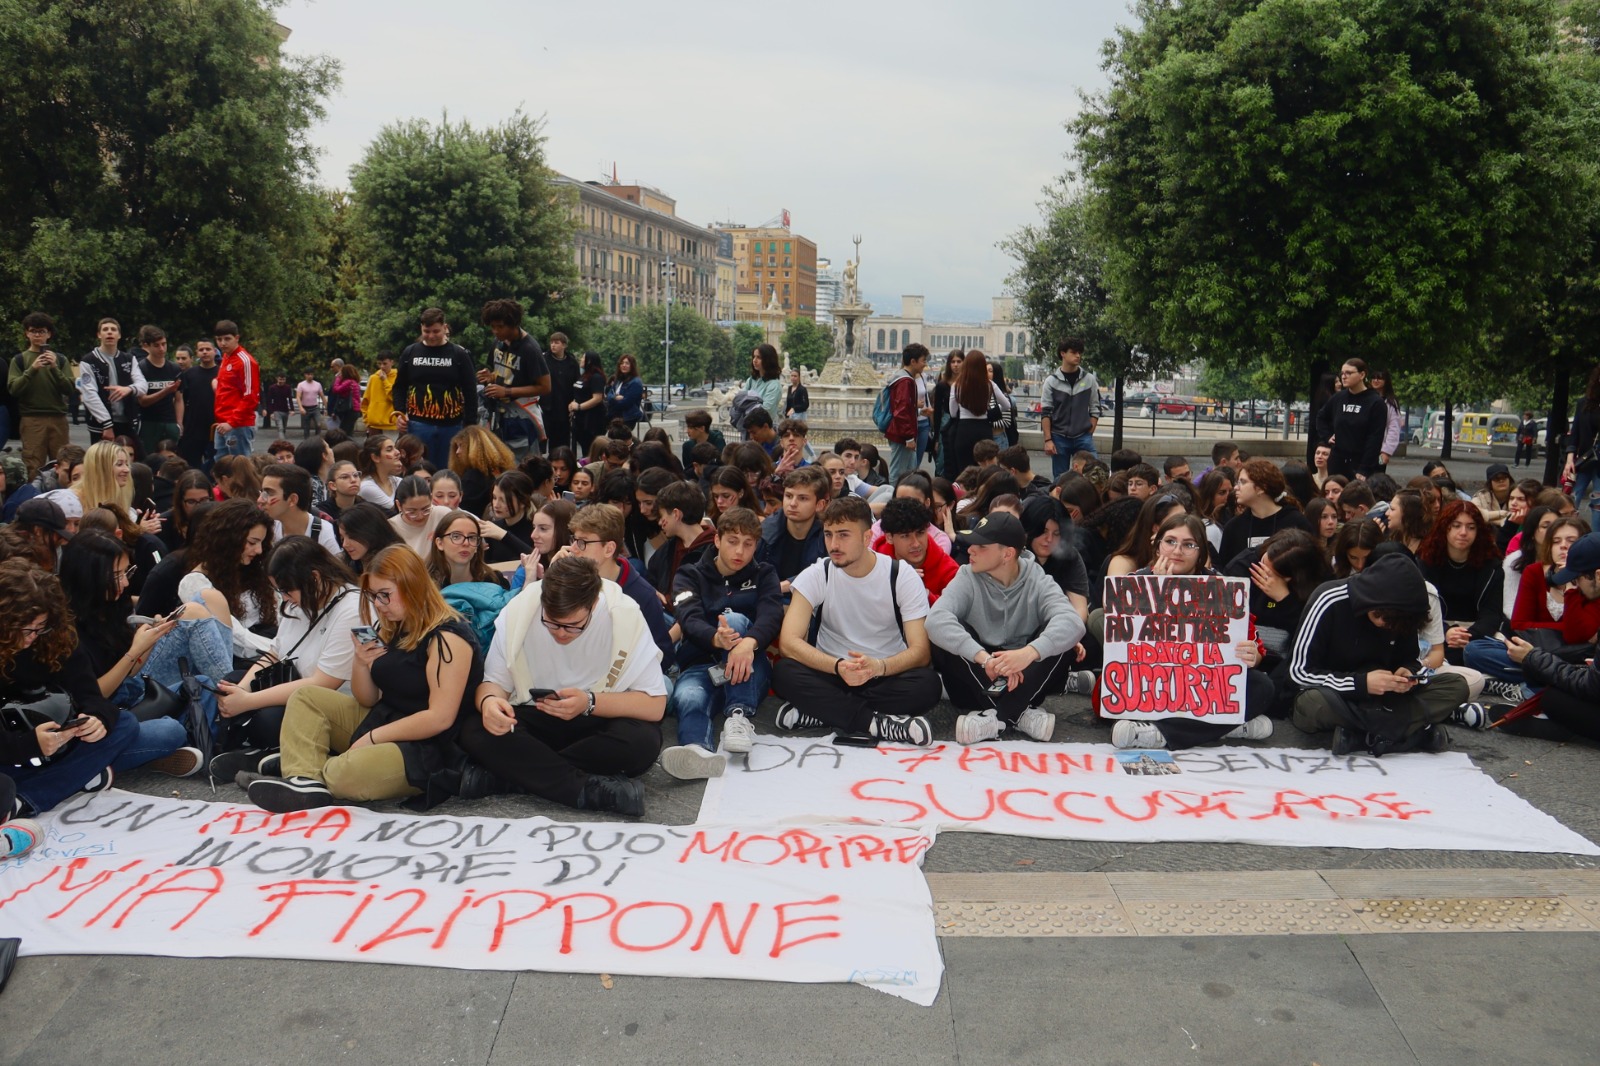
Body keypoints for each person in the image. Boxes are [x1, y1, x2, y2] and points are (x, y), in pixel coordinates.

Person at [237, 545, 482, 812]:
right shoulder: (394, 624)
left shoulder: (449, 637)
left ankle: (303, 770)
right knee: (306, 697)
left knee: (345, 776)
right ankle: (303, 779)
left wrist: (374, 737)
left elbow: (440, 718)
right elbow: (368, 698)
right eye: (374, 596)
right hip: (383, 719)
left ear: (413, 586)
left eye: (385, 595)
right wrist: (361, 662)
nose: (378, 605)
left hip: (429, 746)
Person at [457, 555, 665, 814]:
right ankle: (584, 789)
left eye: (573, 626)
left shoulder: (624, 614)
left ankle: (512, 776)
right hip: (537, 716)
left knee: (642, 741)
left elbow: (655, 705)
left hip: (596, 718)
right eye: (551, 623)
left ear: (594, 604)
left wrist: (589, 702)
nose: (561, 633)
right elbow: (493, 684)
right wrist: (489, 703)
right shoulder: (521, 610)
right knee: (475, 727)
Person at [771, 495, 942, 744]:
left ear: (866, 537)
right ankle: (877, 724)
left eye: (843, 535)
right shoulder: (818, 573)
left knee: (928, 685)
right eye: (828, 534)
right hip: (831, 671)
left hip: (884, 673)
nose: (834, 544)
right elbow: (788, 643)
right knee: (784, 672)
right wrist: (838, 666)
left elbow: (921, 652)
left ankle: (823, 713)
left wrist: (879, 667)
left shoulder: (901, 575)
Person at [1106, 515, 1279, 750]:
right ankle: (1223, 725)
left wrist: (1253, 655)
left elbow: (1254, 646)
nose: (1177, 550)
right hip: (1154, 683)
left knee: (1262, 686)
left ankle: (1164, 734)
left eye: (1188, 545)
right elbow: (1122, 650)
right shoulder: (1134, 582)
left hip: (1203, 685)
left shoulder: (1222, 586)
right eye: (1170, 541)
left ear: (1200, 552)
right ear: (1157, 546)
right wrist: (1155, 593)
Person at [925, 512, 1087, 744]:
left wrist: (1027, 653)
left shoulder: (1037, 578)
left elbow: (1072, 622)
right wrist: (985, 659)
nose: (970, 550)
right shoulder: (967, 575)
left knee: (1065, 640)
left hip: (1022, 677)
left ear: (1007, 554)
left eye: (980, 546)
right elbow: (935, 620)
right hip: (976, 679)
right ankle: (1018, 714)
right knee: (944, 631)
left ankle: (997, 718)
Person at [1289, 552, 1468, 754]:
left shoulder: (1403, 614)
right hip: (1339, 694)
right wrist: (1361, 683)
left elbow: (1410, 660)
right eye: (1379, 615)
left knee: (1456, 685)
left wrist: (1408, 674)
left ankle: (1359, 737)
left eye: (1391, 622)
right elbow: (1299, 672)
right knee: (1312, 705)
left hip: (1384, 699)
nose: (1384, 624)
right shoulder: (1328, 599)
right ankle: (1411, 734)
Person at [0, 560, 141, 816]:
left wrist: (96, 719)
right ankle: (78, 776)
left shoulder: (56, 638)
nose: (33, 637)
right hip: (12, 750)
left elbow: (91, 695)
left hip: (61, 742)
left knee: (127, 725)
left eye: (40, 628)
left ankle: (25, 799)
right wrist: (29, 744)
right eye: (25, 629)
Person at [658, 507, 783, 780]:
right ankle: (696, 751)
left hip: (750, 665)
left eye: (748, 544)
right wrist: (715, 638)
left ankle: (739, 715)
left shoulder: (765, 574)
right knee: (688, 697)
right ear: (717, 541)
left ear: (756, 546)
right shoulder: (689, 574)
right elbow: (686, 615)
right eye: (732, 541)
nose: (740, 551)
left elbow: (772, 614)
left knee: (735, 620)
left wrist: (747, 643)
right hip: (701, 662)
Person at [179, 498, 277, 662]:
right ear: (229, 539)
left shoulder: (255, 569)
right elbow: (235, 637)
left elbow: (280, 611)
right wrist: (281, 652)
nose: (259, 550)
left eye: (262, 542)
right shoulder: (195, 583)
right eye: (252, 542)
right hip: (246, 661)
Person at [393, 308, 479, 469]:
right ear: (421, 328)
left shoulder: (459, 354)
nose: (431, 336)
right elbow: (399, 387)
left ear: (445, 327)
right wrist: (399, 413)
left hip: (452, 425)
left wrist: (470, 425)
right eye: (427, 331)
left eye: (436, 331)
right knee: (418, 469)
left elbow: (470, 391)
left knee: (449, 469)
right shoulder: (410, 352)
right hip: (417, 424)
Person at [479, 298, 551, 456]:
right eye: (492, 327)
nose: (496, 331)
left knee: (521, 466)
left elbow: (545, 387)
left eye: (500, 327)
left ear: (514, 324)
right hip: (499, 415)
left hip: (523, 416)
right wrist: (490, 377)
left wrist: (506, 392)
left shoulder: (530, 349)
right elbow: (499, 372)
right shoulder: (498, 342)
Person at [11, 312, 76, 481]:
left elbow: (70, 389)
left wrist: (54, 367)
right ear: (27, 333)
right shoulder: (19, 360)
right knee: (32, 465)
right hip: (32, 419)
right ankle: (34, 501)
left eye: (42, 331)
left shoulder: (60, 360)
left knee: (64, 464)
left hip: (58, 418)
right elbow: (13, 389)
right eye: (33, 331)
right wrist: (32, 370)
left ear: (49, 334)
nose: (37, 335)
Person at [1217, 459, 1310, 565]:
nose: (1236, 488)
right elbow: (1224, 571)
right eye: (1237, 482)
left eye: (1243, 482)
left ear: (1261, 488)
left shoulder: (1296, 522)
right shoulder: (1234, 527)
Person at [757, 465, 830, 596]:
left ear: (820, 505)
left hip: (814, 604)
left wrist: (787, 585)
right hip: (767, 601)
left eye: (803, 498)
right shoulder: (765, 532)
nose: (793, 503)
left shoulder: (829, 535)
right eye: (789, 496)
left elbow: (830, 574)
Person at [1040, 338, 1104, 476]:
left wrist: (1089, 433)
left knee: (1094, 474)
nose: (1078, 356)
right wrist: (1048, 440)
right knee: (1060, 479)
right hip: (1058, 437)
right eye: (1074, 352)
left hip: (1083, 436)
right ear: (1063, 353)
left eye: (1080, 352)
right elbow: (1046, 412)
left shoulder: (1089, 379)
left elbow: (1095, 408)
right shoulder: (1051, 381)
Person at [77, 317, 147, 443]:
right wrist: (107, 423)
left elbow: (142, 385)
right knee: (103, 460)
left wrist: (129, 389)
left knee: (133, 458)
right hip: (101, 425)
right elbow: (89, 394)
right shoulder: (88, 361)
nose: (109, 332)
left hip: (127, 421)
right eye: (105, 329)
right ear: (99, 335)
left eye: (113, 329)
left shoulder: (129, 359)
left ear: (119, 335)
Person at [1316, 357, 1387, 478]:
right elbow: (1321, 417)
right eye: (1342, 373)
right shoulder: (1338, 398)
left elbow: (1375, 439)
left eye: (1348, 373)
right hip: (1337, 462)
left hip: (1360, 465)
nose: (1344, 376)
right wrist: (1327, 436)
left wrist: (1364, 468)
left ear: (1362, 374)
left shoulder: (1376, 402)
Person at [945, 351, 1011, 476]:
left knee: (964, 472)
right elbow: (1007, 405)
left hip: (964, 430)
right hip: (983, 429)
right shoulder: (989, 384)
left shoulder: (957, 385)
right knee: (985, 471)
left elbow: (953, 413)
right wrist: (990, 413)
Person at [646, 480, 716, 596]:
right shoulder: (665, 551)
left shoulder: (716, 550)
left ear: (676, 514)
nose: (659, 522)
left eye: (662, 515)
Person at [258, 462, 342, 557]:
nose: (260, 500)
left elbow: (336, 570)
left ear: (293, 499)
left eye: (269, 493)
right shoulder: (268, 529)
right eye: (262, 492)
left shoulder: (323, 532)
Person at [210, 321, 260, 459]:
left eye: (227, 339)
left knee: (239, 466)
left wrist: (232, 422)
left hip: (238, 425)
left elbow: (251, 397)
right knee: (222, 464)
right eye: (219, 339)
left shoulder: (245, 361)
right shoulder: (226, 357)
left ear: (236, 338)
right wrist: (217, 383)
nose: (222, 343)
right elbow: (230, 387)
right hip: (222, 421)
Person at [427, 509, 506, 589]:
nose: (466, 543)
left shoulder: (494, 581)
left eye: (472, 537)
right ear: (440, 543)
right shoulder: (424, 584)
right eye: (456, 537)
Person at [449, 423, 515, 518]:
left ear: (473, 448)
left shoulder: (471, 478)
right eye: (457, 447)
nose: (457, 451)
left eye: (461, 446)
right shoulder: (499, 470)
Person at [884, 342, 928, 483]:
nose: (925, 364)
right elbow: (901, 411)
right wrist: (909, 437)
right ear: (913, 361)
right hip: (902, 436)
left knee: (909, 474)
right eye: (923, 361)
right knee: (898, 474)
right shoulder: (905, 381)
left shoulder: (902, 378)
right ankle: (894, 501)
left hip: (903, 434)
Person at [174, 338, 218, 470]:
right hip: (192, 428)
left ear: (215, 351)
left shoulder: (223, 373)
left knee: (215, 467)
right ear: (197, 353)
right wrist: (180, 423)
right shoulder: (188, 374)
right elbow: (180, 400)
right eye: (201, 350)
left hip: (216, 428)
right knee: (191, 467)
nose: (205, 352)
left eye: (208, 349)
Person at [387, 474, 453, 556]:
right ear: (399, 505)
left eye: (426, 509)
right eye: (412, 512)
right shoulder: (390, 527)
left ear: (431, 498)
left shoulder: (443, 515)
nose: (420, 516)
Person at [537, 331, 579, 452]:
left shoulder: (571, 362)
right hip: (546, 407)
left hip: (564, 408)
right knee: (542, 442)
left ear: (564, 345)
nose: (553, 345)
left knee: (561, 444)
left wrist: (574, 402)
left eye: (556, 342)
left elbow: (577, 384)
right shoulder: (544, 359)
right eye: (551, 342)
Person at [569, 352, 609, 451]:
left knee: (590, 448)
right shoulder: (583, 376)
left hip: (592, 419)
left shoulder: (596, 377)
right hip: (580, 418)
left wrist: (579, 406)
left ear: (589, 361)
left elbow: (597, 398)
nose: (581, 360)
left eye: (583, 358)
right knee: (583, 446)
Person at [356, 434, 404, 509]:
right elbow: (398, 511)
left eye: (395, 448)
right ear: (375, 457)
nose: (397, 452)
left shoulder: (397, 481)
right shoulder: (367, 487)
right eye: (389, 450)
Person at [742, 343, 783, 419]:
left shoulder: (774, 385)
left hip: (764, 428)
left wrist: (748, 406)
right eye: (754, 357)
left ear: (768, 360)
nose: (754, 360)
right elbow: (740, 400)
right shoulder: (751, 380)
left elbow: (765, 410)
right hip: (748, 426)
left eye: (759, 357)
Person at [362, 350, 399, 433]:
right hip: (373, 425)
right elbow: (365, 401)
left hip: (391, 425)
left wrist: (385, 381)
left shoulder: (398, 377)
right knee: (374, 446)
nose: (382, 366)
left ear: (392, 362)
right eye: (379, 364)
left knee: (391, 446)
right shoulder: (373, 378)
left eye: (385, 363)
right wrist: (367, 421)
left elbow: (395, 398)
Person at [605, 354, 645, 432]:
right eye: (622, 363)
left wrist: (612, 399)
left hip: (627, 418)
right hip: (614, 416)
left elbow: (625, 403)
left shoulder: (635, 382)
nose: (624, 365)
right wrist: (615, 397)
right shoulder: (618, 380)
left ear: (632, 366)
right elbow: (609, 394)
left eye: (627, 363)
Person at [328, 364, 362, 436]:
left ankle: (347, 445)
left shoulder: (348, 382)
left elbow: (336, 389)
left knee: (343, 431)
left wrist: (338, 378)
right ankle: (349, 445)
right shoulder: (354, 382)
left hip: (350, 409)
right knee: (348, 431)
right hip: (355, 409)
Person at [292, 368, 324, 439]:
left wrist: (326, 407)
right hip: (305, 408)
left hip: (315, 407)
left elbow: (322, 396)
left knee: (318, 424)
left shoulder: (318, 384)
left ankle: (317, 439)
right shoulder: (301, 385)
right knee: (306, 427)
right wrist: (300, 407)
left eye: (312, 374)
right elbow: (298, 397)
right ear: (305, 375)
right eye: (308, 374)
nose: (310, 376)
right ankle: (307, 442)